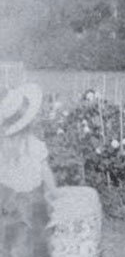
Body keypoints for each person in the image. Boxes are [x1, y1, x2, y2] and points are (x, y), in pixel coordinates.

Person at [1, 83, 57, 257]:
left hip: (6, 200)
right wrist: (55, 195)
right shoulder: (35, 145)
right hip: (33, 203)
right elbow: (46, 173)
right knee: (35, 242)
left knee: (8, 241)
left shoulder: (3, 149)